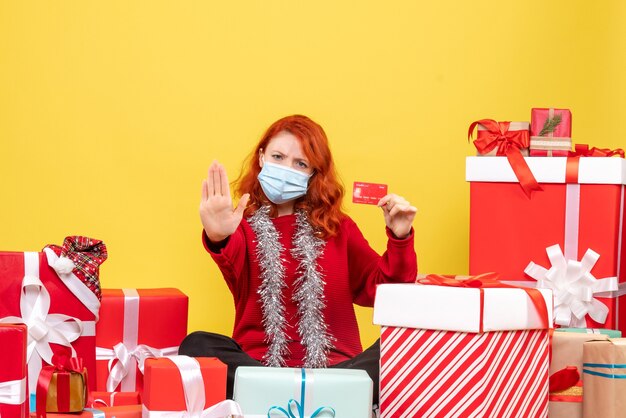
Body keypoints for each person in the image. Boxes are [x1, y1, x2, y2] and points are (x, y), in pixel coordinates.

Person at [179, 114, 418, 404]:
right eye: (278, 157)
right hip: (260, 369)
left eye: (300, 164)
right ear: (262, 157)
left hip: (336, 371)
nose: (286, 168)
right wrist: (219, 235)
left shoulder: (338, 228)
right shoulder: (241, 226)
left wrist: (400, 238)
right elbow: (231, 260)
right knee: (197, 344)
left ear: (314, 174)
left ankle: (306, 392)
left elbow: (388, 292)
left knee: (401, 347)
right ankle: (296, 393)